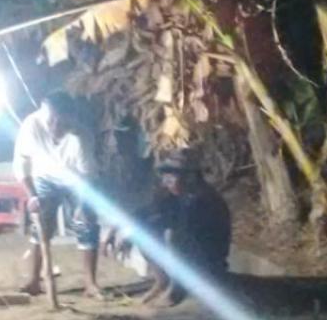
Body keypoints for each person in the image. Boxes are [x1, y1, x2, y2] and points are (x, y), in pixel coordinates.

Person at [13, 91, 103, 298]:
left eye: (61, 122)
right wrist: (32, 196)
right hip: (44, 176)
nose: (55, 126)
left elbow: (88, 177)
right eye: (51, 121)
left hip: (75, 181)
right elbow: (22, 163)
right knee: (41, 226)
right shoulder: (32, 125)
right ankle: (34, 281)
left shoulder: (81, 136)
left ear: (70, 119)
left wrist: (82, 205)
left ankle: (90, 284)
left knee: (86, 224)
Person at [123, 147, 231, 306]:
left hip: (208, 260)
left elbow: (180, 228)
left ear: (190, 177)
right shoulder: (179, 195)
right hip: (194, 254)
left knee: (172, 235)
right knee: (144, 229)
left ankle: (176, 290)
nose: (165, 181)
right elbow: (149, 212)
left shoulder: (201, 199)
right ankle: (162, 281)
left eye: (171, 176)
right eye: (165, 176)